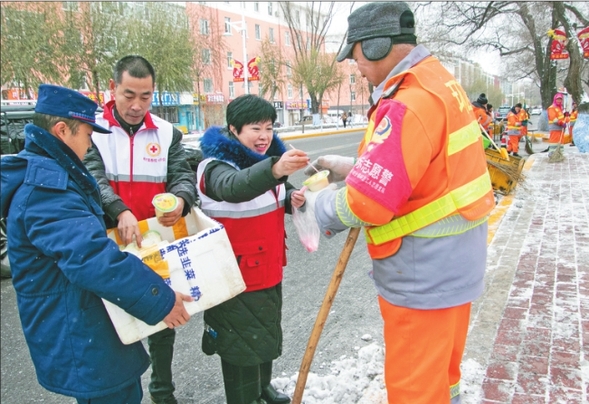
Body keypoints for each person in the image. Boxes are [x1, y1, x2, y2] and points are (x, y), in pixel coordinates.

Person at [303, 3, 495, 403]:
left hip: (421, 274)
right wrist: (358, 167)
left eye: (354, 54)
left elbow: (367, 204)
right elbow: (422, 168)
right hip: (453, 268)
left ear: (374, 46)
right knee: (443, 377)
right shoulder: (438, 82)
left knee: (414, 391)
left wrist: (319, 206)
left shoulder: (408, 100)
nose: (354, 65)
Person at [0, 84, 193, 404]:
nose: (90, 143)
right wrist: (160, 298)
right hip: (80, 330)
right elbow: (91, 259)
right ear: (62, 131)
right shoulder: (48, 191)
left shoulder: (53, 174)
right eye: (87, 135)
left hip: (84, 320)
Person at [83, 55, 198, 404]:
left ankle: (163, 390)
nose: (136, 105)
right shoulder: (92, 130)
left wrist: (180, 200)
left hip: (154, 242)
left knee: (164, 311)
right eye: (128, 94)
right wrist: (119, 210)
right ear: (113, 88)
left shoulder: (166, 133)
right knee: (115, 320)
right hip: (111, 243)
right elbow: (92, 178)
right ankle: (121, 389)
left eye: (145, 96)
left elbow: (182, 175)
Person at [196, 94, 308, 404]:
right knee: (240, 344)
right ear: (234, 129)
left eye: (269, 128)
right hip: (235, 275)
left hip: (267, 267)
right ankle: (245, 397)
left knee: (265, 333)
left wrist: (290, 198)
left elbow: (269, 193)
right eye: (255, 128)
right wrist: (274, 170)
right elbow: (234, 187)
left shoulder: (260, 162)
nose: (264, 137)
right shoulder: (214, 166)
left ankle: (263, 388)